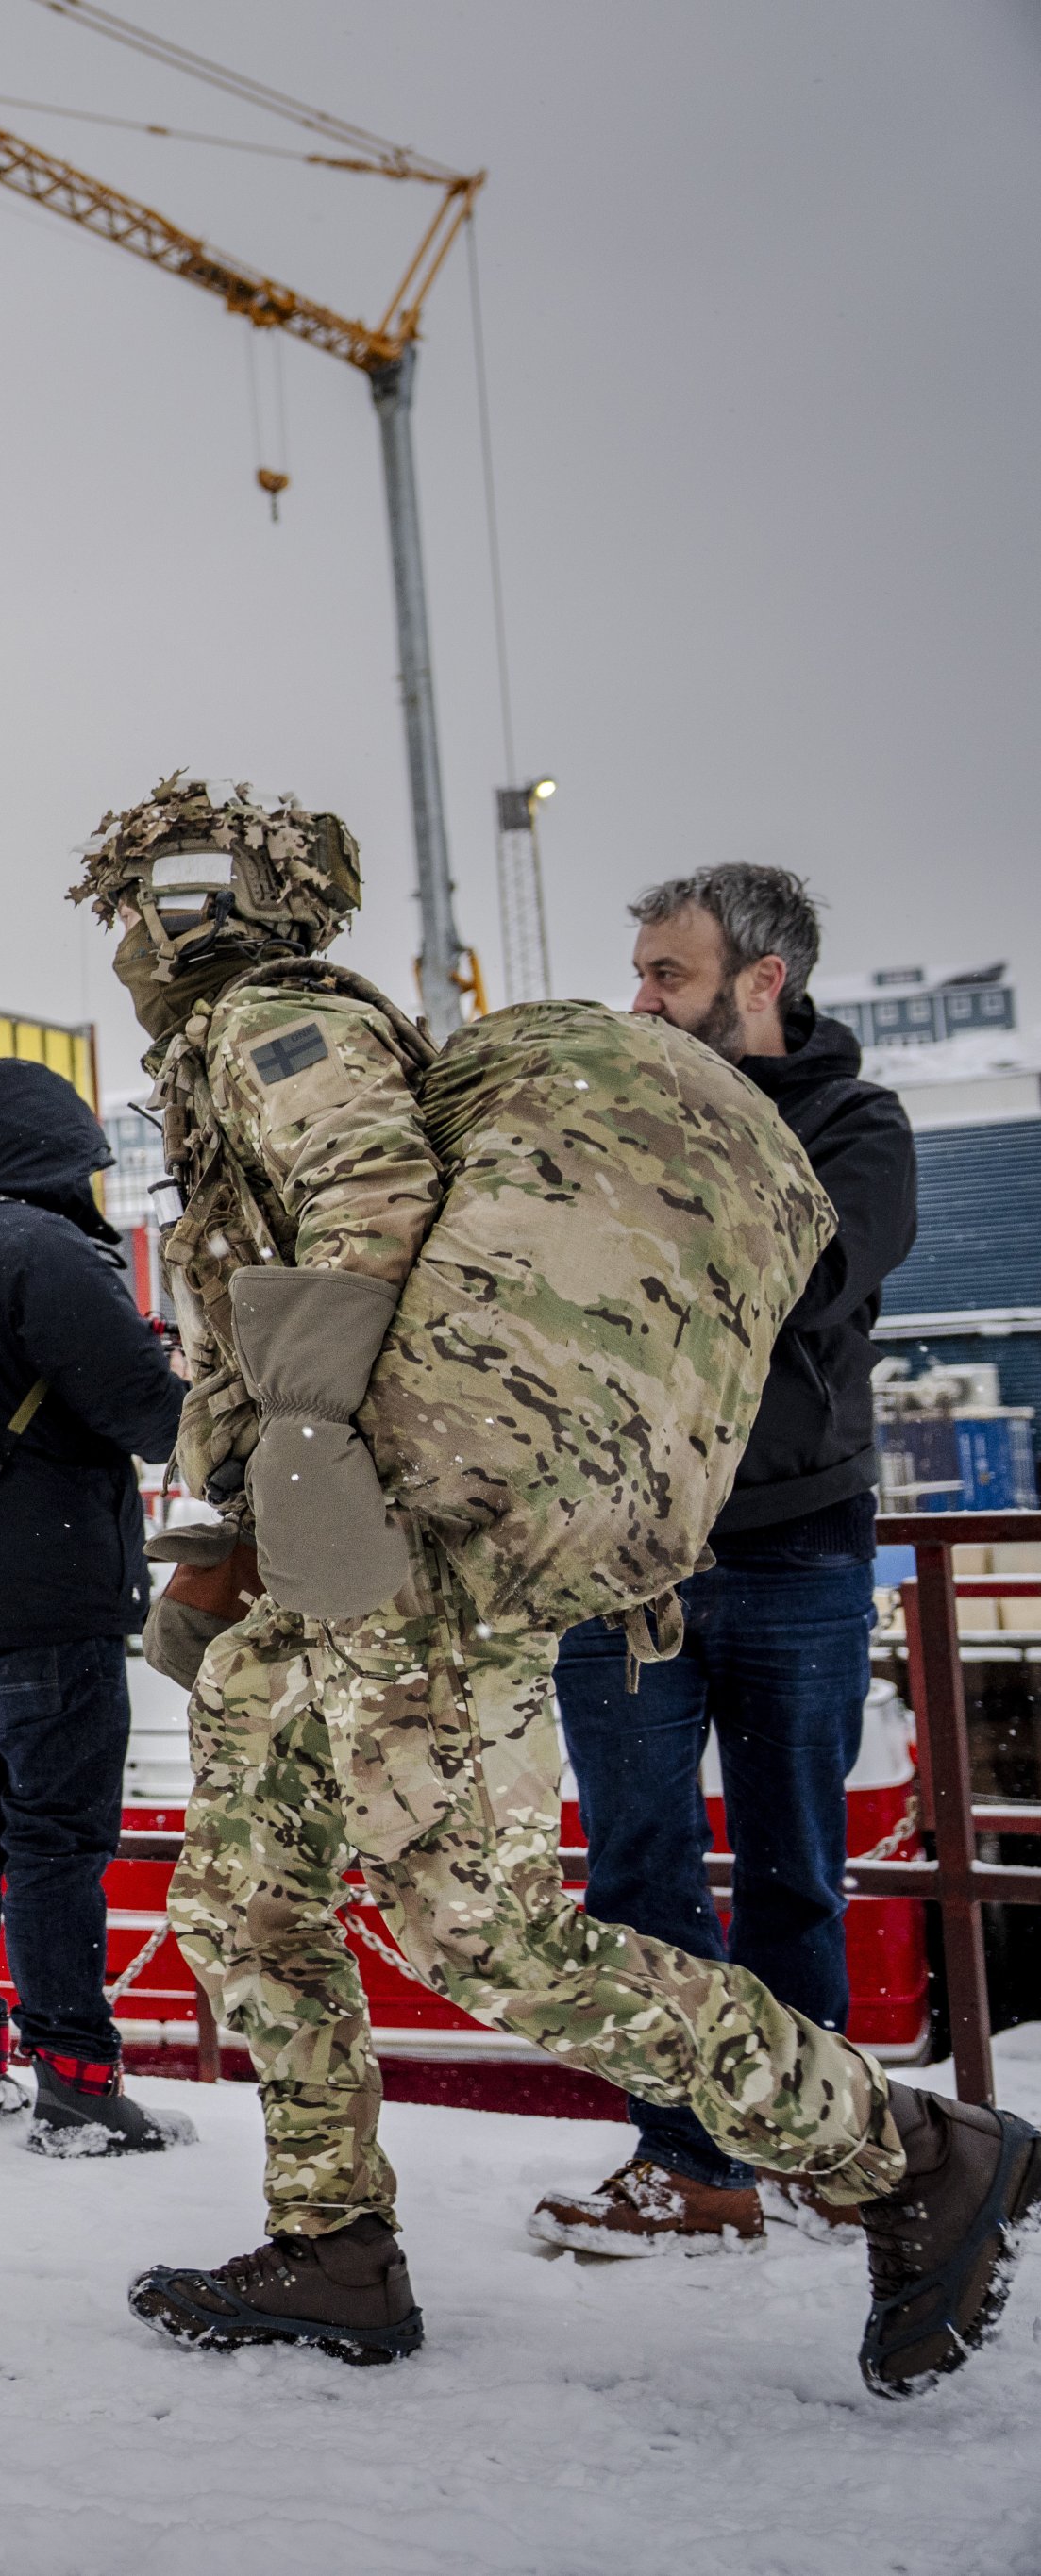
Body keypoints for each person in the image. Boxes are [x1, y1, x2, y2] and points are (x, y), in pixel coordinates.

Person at [70, 775, 1035, 2396]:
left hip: (395, 1542)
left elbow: (372, 1207)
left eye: (141, 898)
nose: (124, 930)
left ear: (189, 908)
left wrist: (307, 1494)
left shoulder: (275, 1017)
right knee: (246, 1892)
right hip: (328, 1541)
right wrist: (248, 1535)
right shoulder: (252, 1027)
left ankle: (904, 2153)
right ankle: (336, 2245)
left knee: (479, 1925)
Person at [528, 865, 919, 2253]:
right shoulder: (603, 1114)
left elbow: (809, 1273)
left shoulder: (854, 1125)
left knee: (792, 1867)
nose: (638, 999)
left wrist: (640, 1209)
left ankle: (814, 2142)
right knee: (635, 1872)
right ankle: (687, 2162)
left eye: (667, 977)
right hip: (617, 1558)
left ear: (761, 981)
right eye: (635, 972)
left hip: (794, 1553)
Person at [0, 1057, 192, 2152]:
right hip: (46, 1595)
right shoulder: (36, 1247)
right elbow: (149, 1414)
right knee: (57, 1838)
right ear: (57, 1151)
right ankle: (75, 2076)